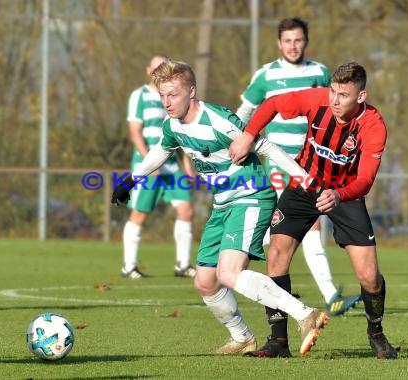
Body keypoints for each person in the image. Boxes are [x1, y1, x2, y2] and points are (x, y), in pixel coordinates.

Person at [112, 58, 329, 356]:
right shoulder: (172, 125)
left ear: (191, 91)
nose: (166, 101)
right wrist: (131, 180)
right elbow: (161, 152)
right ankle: (242, 337)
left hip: (251, 195)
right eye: (162, 95)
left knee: (228, 273)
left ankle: (305, 314)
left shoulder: (218, 120)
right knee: (205, 281)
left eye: (173, 94)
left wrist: (305, 179)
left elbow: (265, 146)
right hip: (223, 203)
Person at [230, 61, 399, 359]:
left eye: (343, 95)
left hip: (345, 195)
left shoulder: (373, 125)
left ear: (361, 97)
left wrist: (339, 194)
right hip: (304, 184)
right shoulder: (316, 99)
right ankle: (278, 342)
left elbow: (365, 179)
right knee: (277, 255)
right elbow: (271, 104)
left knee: (370, 276)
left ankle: (376, 332)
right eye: (333, 92)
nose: (334, 100)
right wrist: (248, 134)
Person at [236, 17, 361, 318]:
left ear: (306, 41)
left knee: (310, 227)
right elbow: (245, 109)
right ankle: (326, 294)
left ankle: (266, 280)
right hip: (279, 159)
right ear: (279, 43)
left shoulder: (319, 73)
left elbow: (335, 108)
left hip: (314, 161)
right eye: (288, 40)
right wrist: (242, 136)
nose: (293, 45)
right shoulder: (266, 75)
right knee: (308, 226)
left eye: (298, 40)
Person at [121, 55, 196, 279]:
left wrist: (188, 165)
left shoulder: (173, 97)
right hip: (148, 166)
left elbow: (178, 135)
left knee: (186, 210)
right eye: (156, 69)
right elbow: (135, 133)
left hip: (171, 167)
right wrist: (148, 162)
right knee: (140, 214)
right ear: (148, 71)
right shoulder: (139, 96)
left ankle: (182, 265)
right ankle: (129, 266)